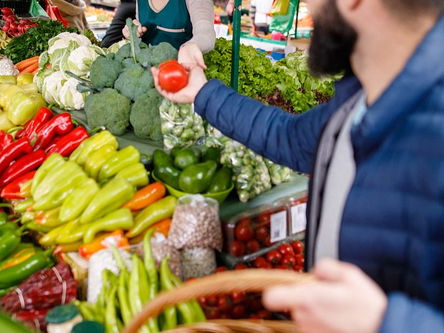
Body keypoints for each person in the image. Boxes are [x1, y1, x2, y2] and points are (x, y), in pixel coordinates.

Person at [151, 0, 444, 331]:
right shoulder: (357, 104)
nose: (308, 7)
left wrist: (383, 324)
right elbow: (287, 137)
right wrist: (202, 92)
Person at [123, 0, 216, 69]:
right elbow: (140, 25)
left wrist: (193, 45)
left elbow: (206, 33)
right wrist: (134, 31)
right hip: (146, 78)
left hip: (180, 78)